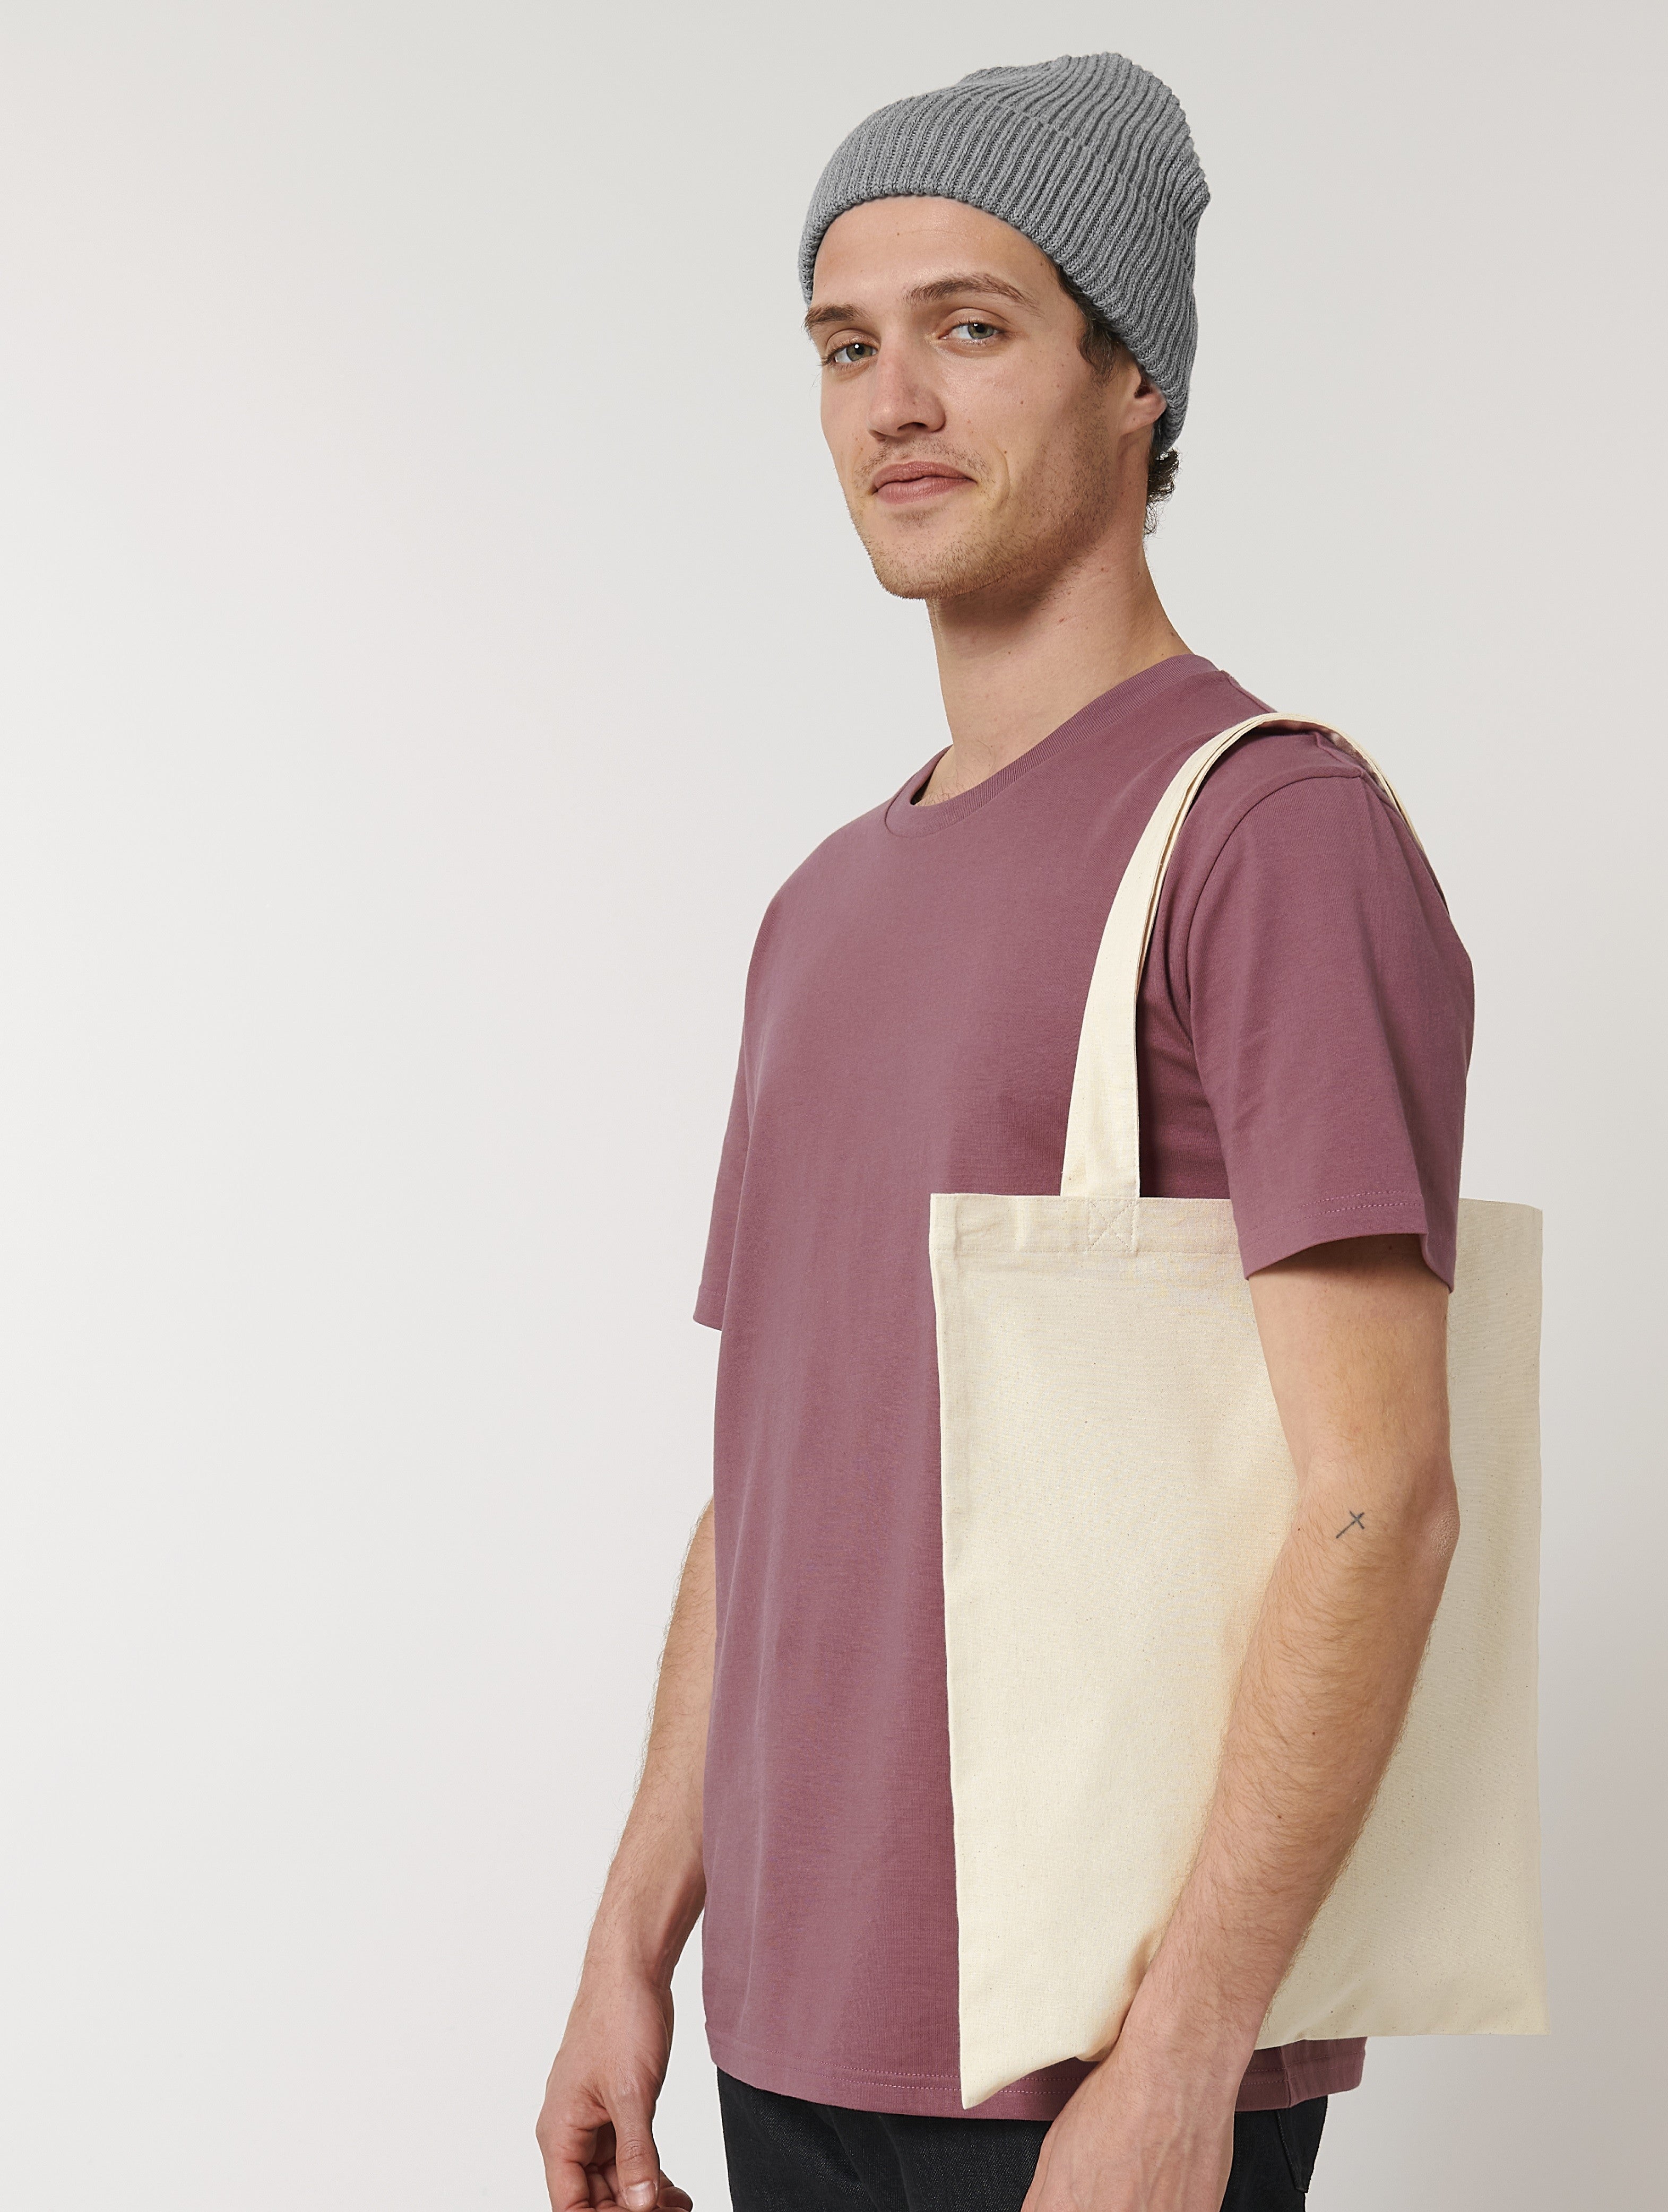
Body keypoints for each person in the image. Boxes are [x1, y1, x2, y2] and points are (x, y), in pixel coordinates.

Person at [537, 51, 1473, 2212]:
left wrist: (1185, 2059)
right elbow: (776, 1479)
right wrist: (630, 1944)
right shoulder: (819, 905)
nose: (894, 403)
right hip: (790, 2030)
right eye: (844, 345)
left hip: (1090, 2054)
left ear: (1136, 377)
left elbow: (1380, 1501)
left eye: (971, 326)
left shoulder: (1267, 833)